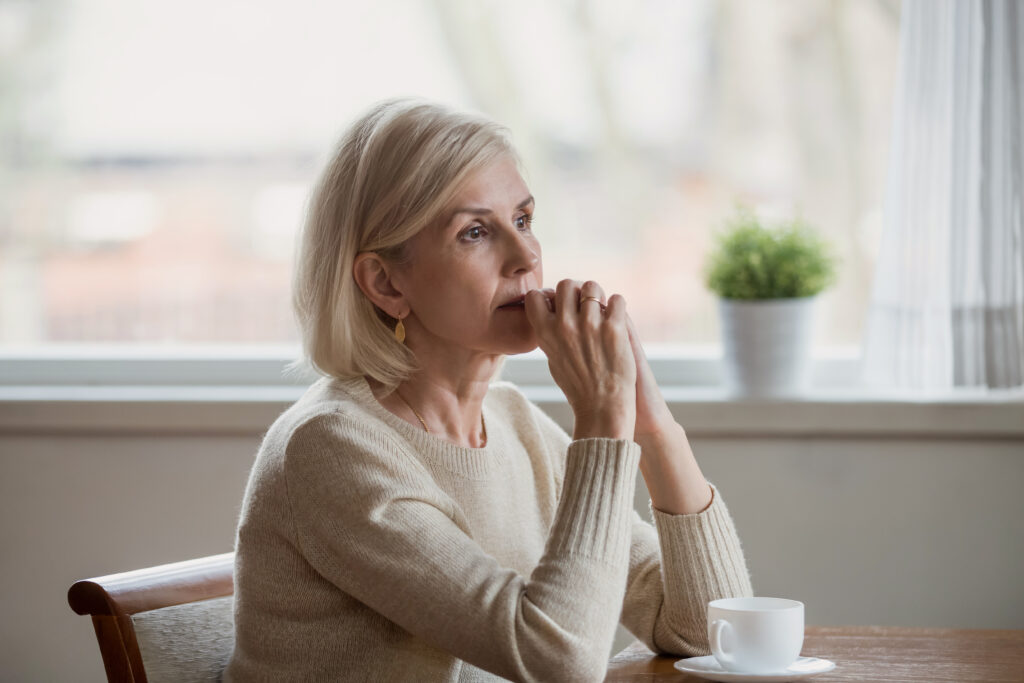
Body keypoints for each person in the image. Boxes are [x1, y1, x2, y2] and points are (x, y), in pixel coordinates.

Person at [224, 98, 753, 683]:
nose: (526, 256)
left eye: (524, 220)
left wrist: (650, 423)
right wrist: (602, 423)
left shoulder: (513, 424)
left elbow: (708, 632)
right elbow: (557, 661)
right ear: (385, 283)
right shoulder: (331, 449)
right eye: (476, 232)